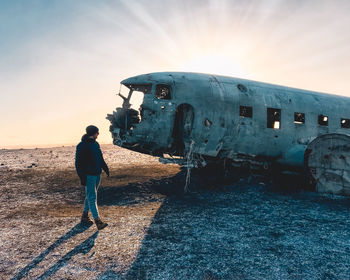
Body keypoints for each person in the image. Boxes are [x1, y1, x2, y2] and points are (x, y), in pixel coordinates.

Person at [75, 125, 110, 230]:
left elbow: (100, 158)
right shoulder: (81, 146)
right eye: (97, 132)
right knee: (92, 197)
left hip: (97, 175)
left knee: (89, 195)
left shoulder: (95, 144)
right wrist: (82, 177)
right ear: (93, 133)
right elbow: (78, 163)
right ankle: (98, 221)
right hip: (89, 175)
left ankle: (84, 216)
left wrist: (105, 168)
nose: (98, 134)